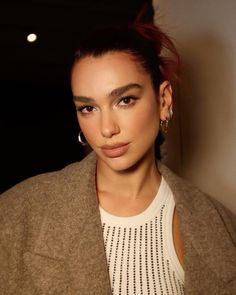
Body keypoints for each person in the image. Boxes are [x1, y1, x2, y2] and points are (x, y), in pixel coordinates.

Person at [0, 20, 236, 295]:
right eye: (88, 108)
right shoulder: (16, 214)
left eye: (125, 100)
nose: (107, 129)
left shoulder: (222, 227)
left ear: (163, 100)